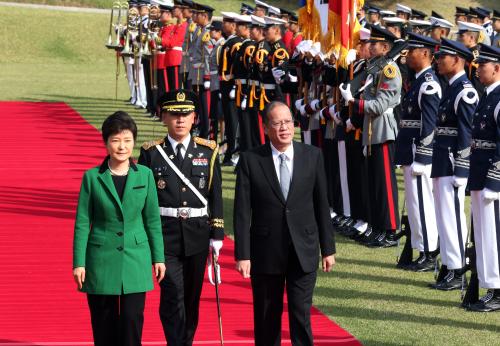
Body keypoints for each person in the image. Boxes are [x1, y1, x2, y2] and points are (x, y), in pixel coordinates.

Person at [233, 101, 335, 346]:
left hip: (304, 249)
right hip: (266, 252)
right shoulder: (250, 160)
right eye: (277, 123)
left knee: (301, 315)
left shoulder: (312, 156)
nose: (284, 128)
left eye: (288, 122)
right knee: (267, 318)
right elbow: (242, 212)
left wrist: (328, 249)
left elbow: (322, 205)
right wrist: (243, 255)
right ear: (266, 127)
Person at [138, 89, 224, 345]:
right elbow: (144, 199)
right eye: (173, 114)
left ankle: (185, 341)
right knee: (172, 293)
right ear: (163, 116)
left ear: (195, 117)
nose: (180, 119)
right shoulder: (151, 153)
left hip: (198, 232)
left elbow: (215, 195)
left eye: (185, 114)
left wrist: (217, 234)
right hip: (165, 234)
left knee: (191, 298)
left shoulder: (208, 151)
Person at [73, 111, 166, 346]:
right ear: (105, 142)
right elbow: (83, 222)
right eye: (115, 140)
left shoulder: (145, 176)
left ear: (134, 142)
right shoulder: (92, 178)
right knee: (104, 325)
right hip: (100, 259)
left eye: (127, 140)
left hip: (135, 258)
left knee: (132, 320)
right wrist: (79, 262)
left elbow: (152, 220)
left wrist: (159, 257)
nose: (122, 146)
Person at [340, 25, 401, 247]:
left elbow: (382, 103)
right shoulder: (376, 68)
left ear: (385, 47)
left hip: (383, 130)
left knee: (384, 184)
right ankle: (377, 227)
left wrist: (353, 102)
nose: (370, 47)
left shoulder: (389, 70)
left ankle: (390, 230)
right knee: (374, 184)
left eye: (374, 44)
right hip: (371, 130)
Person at [431, 38, 478, 286]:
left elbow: (466, 134)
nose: (438, 61)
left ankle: (458, 267)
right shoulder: (450, 86)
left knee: (453, 215)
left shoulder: (465, 91)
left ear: (457, 60)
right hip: (442, 158)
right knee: (443, 215)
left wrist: (462, 168)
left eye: (442, 57)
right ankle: (450, 264)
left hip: (452, 162)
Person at [394, 33, 441, 271]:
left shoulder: (429, 83)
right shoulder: (420, 80)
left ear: (424, 53)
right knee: (415, 204)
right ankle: (421, 248)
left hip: (418, 153)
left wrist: (423, 156)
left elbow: (430, 123)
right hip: (409, 149)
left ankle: (428, 252)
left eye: (411, 50)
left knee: (422, 204)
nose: (407, 55)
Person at [467, 44, 500, 312]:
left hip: (492, 178)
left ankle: (498, 290)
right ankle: (491, 286)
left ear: (497, 68)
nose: (478, 70)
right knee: (483, 234)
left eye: (483, 66)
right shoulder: (487, 95)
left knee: (494, 235)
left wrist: (494, 180)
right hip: (479, 172)